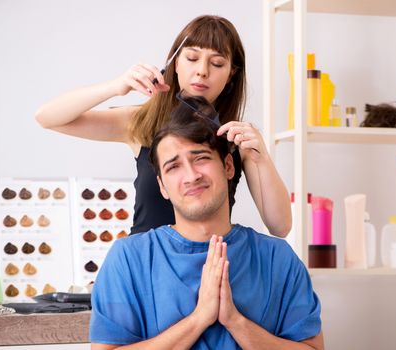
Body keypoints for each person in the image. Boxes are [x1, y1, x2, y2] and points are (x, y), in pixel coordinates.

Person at [89, 97, 324, 350]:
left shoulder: (277, 259)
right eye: (174, 166)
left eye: (200, 158)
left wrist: (235, 322)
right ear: (162, 187)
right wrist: (199, 318)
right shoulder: (128, 259)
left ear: (228, 166)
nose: (191, 175)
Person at [35, 15, 291, 237]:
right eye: (192, 58)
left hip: (209, 268)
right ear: (175, 63)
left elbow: (280, 227)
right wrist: (116, 87)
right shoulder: (141, 122)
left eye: (217, 63)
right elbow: (47, 117)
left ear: (232, 73)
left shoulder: (237, 139)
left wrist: (262, 156)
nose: (202, 71)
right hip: (143, 272)